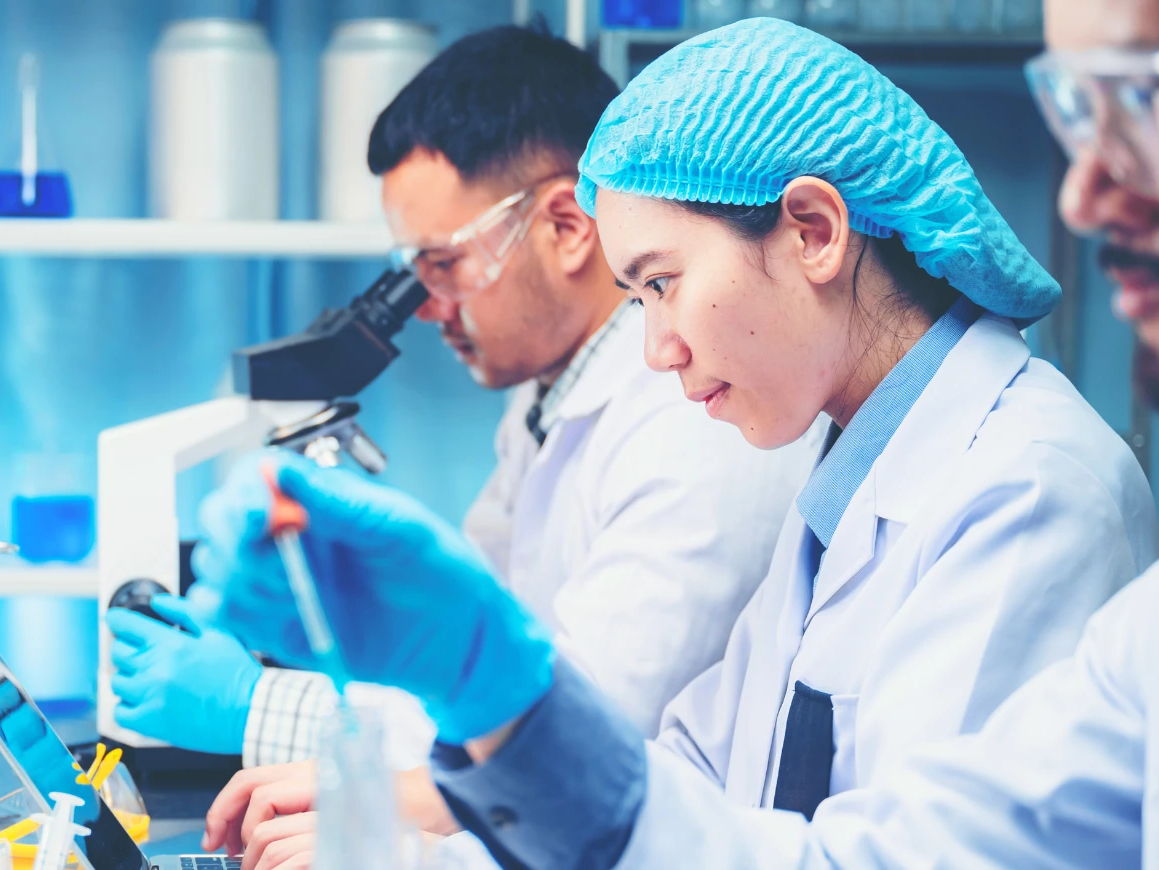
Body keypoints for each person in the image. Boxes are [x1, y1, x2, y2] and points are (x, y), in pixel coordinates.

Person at [189, 14, 1159, 870]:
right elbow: (688, 778)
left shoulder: (1026, 486)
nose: (655, 349)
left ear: (815, 232)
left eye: (660, 283)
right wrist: (422, 827)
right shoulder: (846, 474)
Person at [106, 22, 812, 775]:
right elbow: (461, 658)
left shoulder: (699, 417)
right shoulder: (544, 402)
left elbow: (573, 719)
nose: (424, 306)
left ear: (568, 226)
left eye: (441, 264)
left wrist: (258, 706)